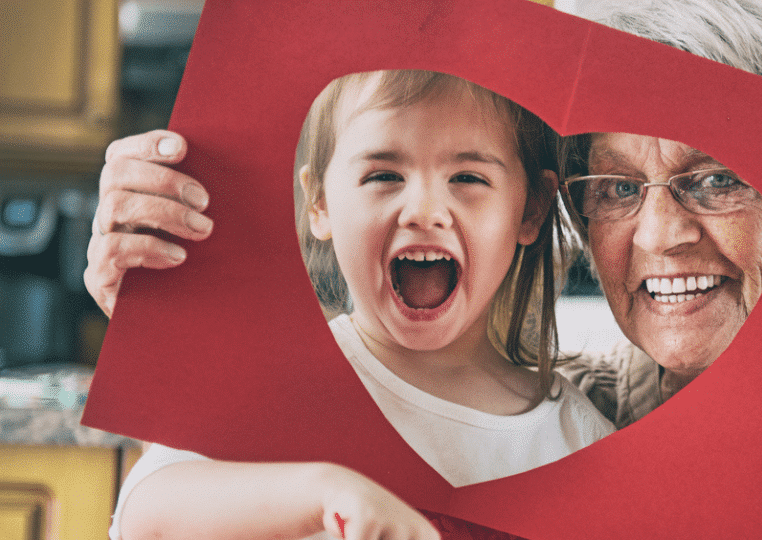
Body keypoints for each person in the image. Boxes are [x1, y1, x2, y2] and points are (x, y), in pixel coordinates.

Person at [87, 0, 762, 539]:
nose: (661, 234)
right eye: (615, 186)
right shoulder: (590, 411)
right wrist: (180, 280)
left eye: (716, 175)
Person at [106, 70, 614, 540]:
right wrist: (326, 492)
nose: (424, 211)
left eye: (468, 178)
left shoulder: (578, 439)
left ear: (530, 209)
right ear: (319, 204)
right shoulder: (273, 378)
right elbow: (146, 513)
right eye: (383, 176)